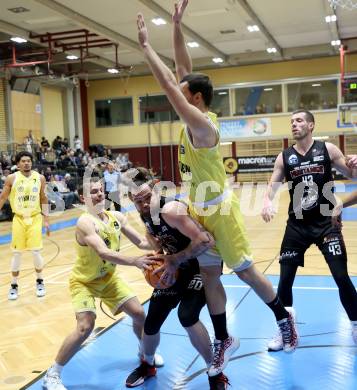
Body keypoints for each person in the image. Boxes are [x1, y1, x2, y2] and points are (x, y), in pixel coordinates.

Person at [136, 0, 298, 377]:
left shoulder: (203, 127)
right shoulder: (195, 105)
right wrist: (177, 26)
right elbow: (182, 70)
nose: (179, 87)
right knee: (210, 275)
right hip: (197, 208)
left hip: (220, 212)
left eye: (183, 90)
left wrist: (146, 47)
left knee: (244, 271)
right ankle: (224, 337)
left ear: (194, 99)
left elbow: (170, 86)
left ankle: (283, 318)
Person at [42, 178, 162, 390]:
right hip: (84, 282)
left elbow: (142, 243)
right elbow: (103, 252)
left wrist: (154, 233)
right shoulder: (85, 222)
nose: (99, 194)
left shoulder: (116, 217)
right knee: (85, 327)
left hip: (108, 278)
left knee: (139, 314)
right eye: (94, 191)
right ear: (83, 197)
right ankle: (53, 374)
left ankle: (143, 352)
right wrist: (134, 261)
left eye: (101, 190)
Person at [125, 168, 229, 389]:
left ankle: (215, 370)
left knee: (187, 315)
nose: (143, 204)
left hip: (202, 264)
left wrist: (174, 259)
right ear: (130, 199)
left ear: (155, 188)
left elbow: (206, 241)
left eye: (146, 198)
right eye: (137, 201)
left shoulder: (170, 209)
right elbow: (155, 240)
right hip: (177, 266)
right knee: (152, 320)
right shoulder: (146, 215)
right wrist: (159, 259)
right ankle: (148, 364)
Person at [261, 109, 357, 349]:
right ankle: (286, 329)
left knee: (342, 278)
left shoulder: (328, 150)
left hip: (327, 225)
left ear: (311, 125)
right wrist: (266, 201)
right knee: (284, 281)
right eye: (291, 121)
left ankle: (355, 324)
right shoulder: (285, 157)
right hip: (297, 226)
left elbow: (354, 176)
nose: (294, 124)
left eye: (299, 120)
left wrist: (355, 165)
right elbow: (272, 185)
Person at [0, 151, 50, 300]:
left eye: (28, 160)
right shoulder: (12, 178)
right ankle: (14, 285)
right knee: (17, 253)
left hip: (35, 218)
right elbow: (3, 197)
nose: (26, 163)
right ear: (18, 163)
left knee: (36, 251)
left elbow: (44, 198)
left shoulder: (40, 178)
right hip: (19, 219)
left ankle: (40, 281)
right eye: (23, 161)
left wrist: (46, 219)